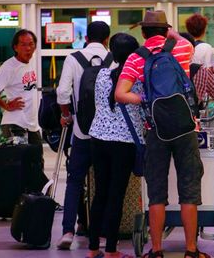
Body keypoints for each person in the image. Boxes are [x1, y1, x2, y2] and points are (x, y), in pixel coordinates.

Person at [115, 10, 208, 258]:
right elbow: (180, 38)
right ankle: (191, 250)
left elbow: (120, 94)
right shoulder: (183, 48)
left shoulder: (136, 57)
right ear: (166, 30)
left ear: (143, 32)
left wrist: (146, 100)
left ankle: (156, 251)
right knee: (189, 190)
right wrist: (171, 32)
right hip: (186, 127)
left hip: (155, 129)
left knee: (156, 191)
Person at [55, 21, 111, 250]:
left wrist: (67, 115)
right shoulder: (112, 59)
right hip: (107, 133)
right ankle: (103, 233)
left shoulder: (73, 58)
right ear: (107, 39)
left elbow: (62, 93)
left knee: (74, 181)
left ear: (86, 38)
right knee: (104, 182)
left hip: (81, 131)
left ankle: (68, 231)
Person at [86, 33, 141, 258]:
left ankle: (92, 248)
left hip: (98, 139)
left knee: (100, 193)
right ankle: (110, 249)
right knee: (116, 195)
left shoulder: (101, 75)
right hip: (124, 142)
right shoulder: (136, 81)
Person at [0, 29, 42, 144]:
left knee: (36, 160)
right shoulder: (9, 67)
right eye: (23, 45)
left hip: (32, 125)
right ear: (15, 47)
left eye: (31, 44)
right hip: (15, 124)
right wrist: (6, 106)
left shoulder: (32, 60)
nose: (28, 48)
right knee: (19, 161)